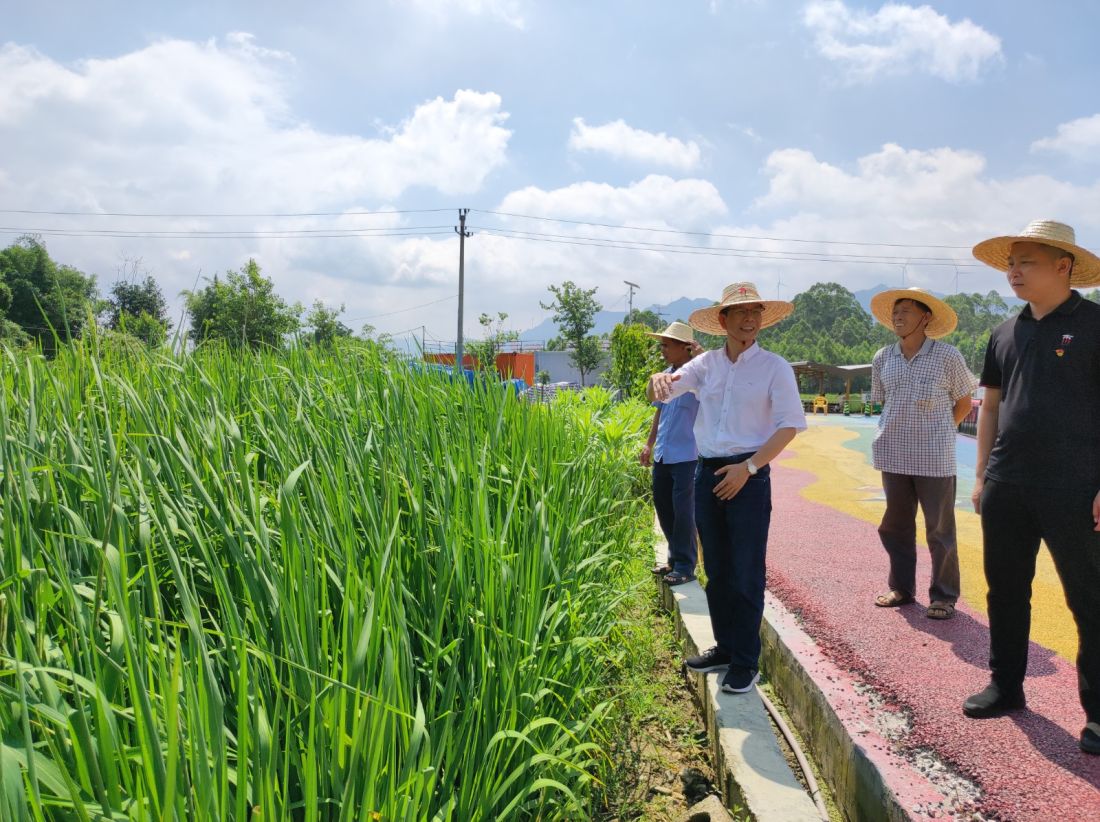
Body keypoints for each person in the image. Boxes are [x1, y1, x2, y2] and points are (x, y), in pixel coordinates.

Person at [966, 219, 1100, 756]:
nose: (1014, 272)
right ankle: (1006, 685)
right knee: (1005, 590)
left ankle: (1097, 714)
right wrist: (981, 475)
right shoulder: (1004, 332)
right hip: (1008, 483)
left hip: (1077, 488)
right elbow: (990, 407)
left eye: (1026, 262)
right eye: (1010, 263)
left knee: (1089, 598)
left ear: (1063, 267)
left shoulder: (1094, 325)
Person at [648, 282, 806, 694]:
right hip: (708, 474)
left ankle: (746, 662)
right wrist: (656, 380)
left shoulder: (774, 368)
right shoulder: (706, 365)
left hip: (749, 475)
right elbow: (666, 387)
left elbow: (789, 426)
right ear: (723, 320)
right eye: (740, 313)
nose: (749, 320)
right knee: (716, 568)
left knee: (746, 570)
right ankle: (724, 647)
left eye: (755, 312)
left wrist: (749, 468)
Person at [868, 287, 976, 620]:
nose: (897, 317)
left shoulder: (948, 356)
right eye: (895, 312)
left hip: (934, 458)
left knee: (940, 530)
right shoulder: (883, 357)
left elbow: (964, 402)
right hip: (893, 454)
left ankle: (943, 596)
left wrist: (940, 430)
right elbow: (883, 401)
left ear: (925, 317)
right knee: (895, 526)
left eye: (906, 311)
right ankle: (901, 588)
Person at [641, 321, 701, 586]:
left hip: (688, 455)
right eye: (662, 345)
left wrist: (701, 359)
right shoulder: (665, 376)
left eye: (667, 345)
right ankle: (674, 560)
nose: (662, 350)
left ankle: (686, 565)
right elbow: (659, 411)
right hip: (664, 453)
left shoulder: (698, 376)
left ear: (684, 347)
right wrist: (649, 444)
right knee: (664, 506)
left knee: (684, 511)